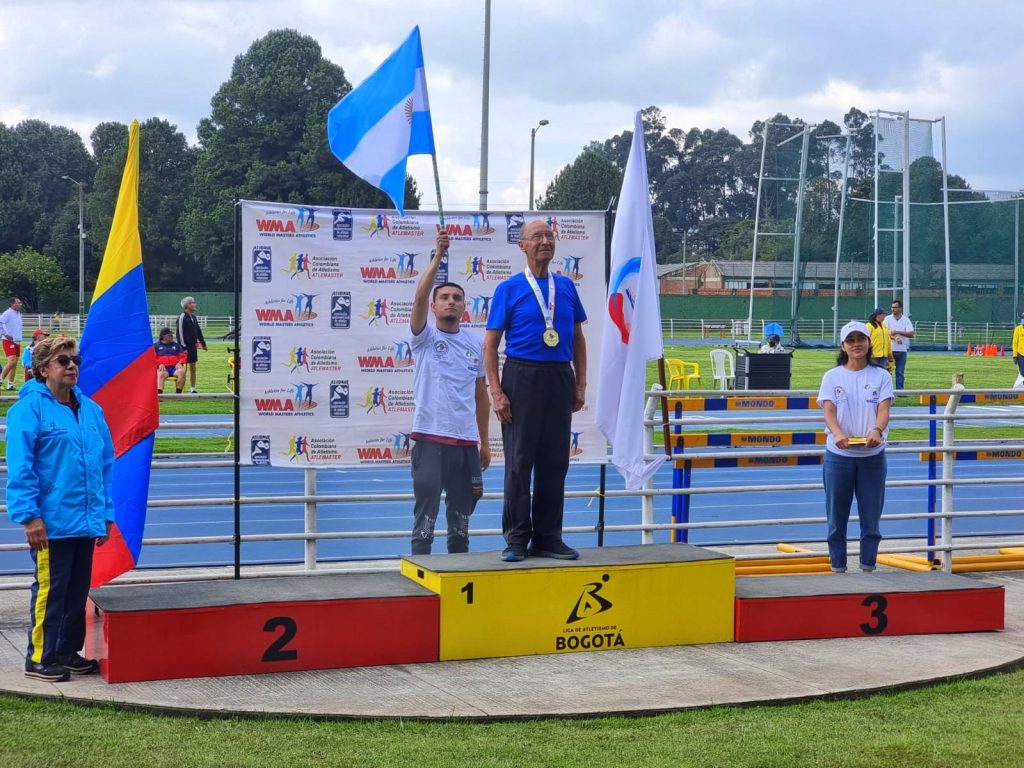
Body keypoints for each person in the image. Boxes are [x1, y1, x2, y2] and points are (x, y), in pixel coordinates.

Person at [5, 335, 116, 681]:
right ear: (42, 370)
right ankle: (39, 656)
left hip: (85, 519)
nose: (71, 366)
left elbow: (105, 465)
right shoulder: (28, 409)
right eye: (63, 361)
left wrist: (105, 513)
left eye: (75, 361)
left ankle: (67, 651)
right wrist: (29, 515)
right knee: (51, 591)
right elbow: (20, 467)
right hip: (50, 521)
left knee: (76, 591)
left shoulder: (92, 410)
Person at [484, 220, 587, 562]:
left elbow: (579, 338)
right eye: (537, 237)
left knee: (555, 462)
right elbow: (490, 344)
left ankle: (547, 537)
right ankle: (516, 538)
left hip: (559, 376)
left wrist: (580, 382)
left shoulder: (567, 287)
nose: (545, 242)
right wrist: (497, 391)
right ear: (522, 246)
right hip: (521, 376)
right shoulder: (509, 289)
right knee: (518, 462)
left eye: (549, 236)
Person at [408, 231, 490, 555]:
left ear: (464, 307)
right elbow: (417, 298)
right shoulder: (423, 337)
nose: (451, 301)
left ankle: (459, 583)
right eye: (444, 297)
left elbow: (481, 396)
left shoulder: (474, 344)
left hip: (466, 443)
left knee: (460, 522)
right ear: (433, 306)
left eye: (457, 298)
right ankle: (420, 583)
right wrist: (438, 257)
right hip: (430, 439)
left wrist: (483, 441)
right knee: (425, 520)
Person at [817, 321, 894, 574]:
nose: (856, 344)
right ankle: (838, 567)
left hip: (872, 456)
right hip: (839, 456)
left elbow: (883, 410)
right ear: (843, 345)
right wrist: (837, 433)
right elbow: (829, 411)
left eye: (861, 339)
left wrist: (877, 431)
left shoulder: (881, 375)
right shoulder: (832, 376)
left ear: (869, 343)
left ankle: (868, 567)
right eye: (851, 340)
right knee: (836, 520)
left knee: (871, 519)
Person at [177, 296, 207, 393]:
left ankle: (193, 388)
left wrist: (203, 344)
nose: (195, 304)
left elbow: (198, 331)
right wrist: (183, 347)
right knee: (183, 369)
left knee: (193, 367)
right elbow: (179, 333)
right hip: (185, 348)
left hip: (193, 347)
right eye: (193, 303)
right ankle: (179, 389)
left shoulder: (193, 317)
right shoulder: (182, 317)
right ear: (188, 305)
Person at [884, 299, 915, 389]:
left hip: (901, 350)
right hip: (890, 350)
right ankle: (887, 390)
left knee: (900, 372)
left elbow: (911, 333)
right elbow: (884, 333)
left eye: (895, 307)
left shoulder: (905, 320)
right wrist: (894, 338)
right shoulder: (887, 319)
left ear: (900, 308)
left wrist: (898, 332)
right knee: (888, 371)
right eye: (892, 307)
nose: (893, 309)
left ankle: (900, 391)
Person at [1, 296, 24, 390]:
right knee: (12, 361)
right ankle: (1, 379)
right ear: (12, 304)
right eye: (18, 303)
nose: (20, 304)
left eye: (20, 302)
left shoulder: (18, 313)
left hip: (17, 341)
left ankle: (10, 384)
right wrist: (5, 334)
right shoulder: (7, 313)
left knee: (14, 364)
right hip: (8, 341)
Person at [154, 327, 187, 394]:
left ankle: (178, 394)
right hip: (163, 368)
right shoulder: (156, 346)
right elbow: (152, 358)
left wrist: (180, 362)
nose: (172, 337)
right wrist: (159, 363)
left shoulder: (176, 345)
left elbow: (183, 356)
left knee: (182, 372)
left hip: (175, 368)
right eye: (170, 335)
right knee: (160, 374)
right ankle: (160, 395)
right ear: (164, 337)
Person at [867, 308, 893, 373]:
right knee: (873, 373)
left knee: (882, 374)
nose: (885, 317)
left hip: (883, 355)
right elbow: (866, 339)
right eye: (883, 315)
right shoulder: (869, 326)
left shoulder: (884, 326)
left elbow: (888, 340)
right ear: (878, 315)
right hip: (873, 355)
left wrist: (889, 353)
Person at [1013, 311, 1024, 382]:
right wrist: (1014, 356)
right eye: (1022, 318)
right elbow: (1015, 343)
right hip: (1021, 354)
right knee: (1022, 371)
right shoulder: (1018, 329)